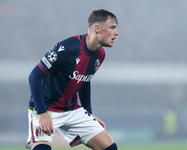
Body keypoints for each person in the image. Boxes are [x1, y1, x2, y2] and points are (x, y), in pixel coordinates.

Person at [26, 9, 118, 150]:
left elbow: (85, 81)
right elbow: (34, 76)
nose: (116, 32)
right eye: (112, 27)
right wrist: (42, 113)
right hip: (46, 108)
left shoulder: (100, 55)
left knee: (110, 148)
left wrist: (88, 112)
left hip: (71, 109)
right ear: (97, 28)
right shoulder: (68, 47)